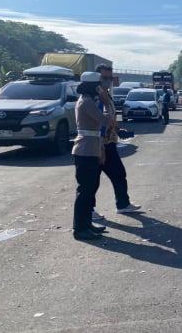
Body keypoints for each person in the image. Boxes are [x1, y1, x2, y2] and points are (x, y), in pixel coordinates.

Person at [93, 64, 141, 219]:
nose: (108, 81)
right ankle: (89, 209)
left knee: (118, 174)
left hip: (109, 142)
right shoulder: (95, 96)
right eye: (104, 78)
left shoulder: (106, 93)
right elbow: (98, 121)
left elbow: (110, 118)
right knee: (92, 179)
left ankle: (123, 204)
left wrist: (118, 130)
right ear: (97, 78)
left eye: (110, 78)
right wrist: (100, 146)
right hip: (99, 144)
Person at [71, 72, 115, 240]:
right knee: (85, 191)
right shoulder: (87, 102)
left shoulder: (88, 100)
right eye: (99, 85)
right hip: (85, 149)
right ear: (93, 86)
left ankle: (87, 225)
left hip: (91, 148)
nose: (101, 88)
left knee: (90, 190)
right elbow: (107, 121)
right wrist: (107, 103)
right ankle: (80, 229)